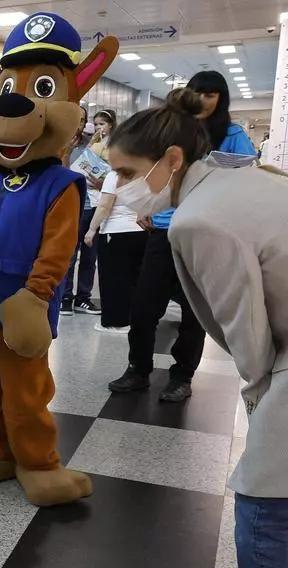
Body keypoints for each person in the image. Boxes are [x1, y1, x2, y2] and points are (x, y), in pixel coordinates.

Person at [102, 87, 288, 568]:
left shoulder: (198, 219)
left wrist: (260, 397)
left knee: (264, 503)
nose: (123, 183)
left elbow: (247, 330)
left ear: (172, 160)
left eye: (127, 171)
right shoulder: (249, 178)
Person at [108, 71, 257, 403]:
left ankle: (182, 375)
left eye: (210, 94)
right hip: (163, 231)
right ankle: (138, 368)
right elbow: (150, 172)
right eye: (197, 92)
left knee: (194, 312)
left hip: (204, 232)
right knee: (144, 305)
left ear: (221, 98)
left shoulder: (230, 135)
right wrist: (143, 205)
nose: (203, 100)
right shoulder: (169, 131)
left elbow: (248, 172)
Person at [61, 109, 114, 315]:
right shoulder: (64, 144)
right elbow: (63, 172)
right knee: (69, 254)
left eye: (84, 120)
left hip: (94, 204)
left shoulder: (95, 144)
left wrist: (103, 183)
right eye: (78, 119)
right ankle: (65, 296)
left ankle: (83, 297)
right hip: (73, 204)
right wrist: (66, 152)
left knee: (90, 255)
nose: (81, 124)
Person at [83, 169, 146, 334]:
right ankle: (132, 319)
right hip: (140, 231)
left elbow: (104, 206)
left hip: (115, 231)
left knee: (112, 279)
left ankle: (115, 322)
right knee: (134, 278)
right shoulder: (146, 172)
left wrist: (91, 229)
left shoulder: (115, 176)